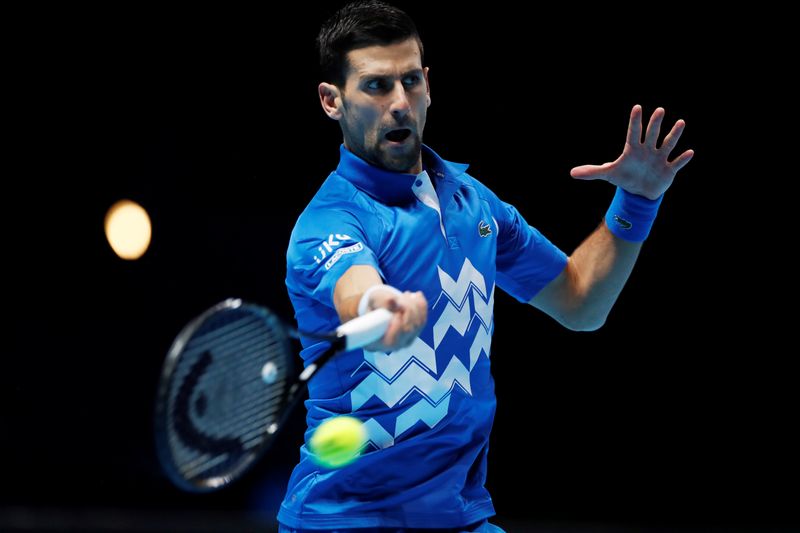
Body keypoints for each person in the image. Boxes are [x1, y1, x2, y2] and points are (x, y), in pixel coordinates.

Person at [278, 1, 693, 531]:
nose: (400, 103)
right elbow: (355, 288)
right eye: (377, 86)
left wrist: (637, 202)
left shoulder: (475, 206)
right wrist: (381, 305)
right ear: (332, 101)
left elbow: (581, 302)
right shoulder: (331, 221)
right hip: (346, 518)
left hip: (460, 515)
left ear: (429, 83)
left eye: (411, 81)